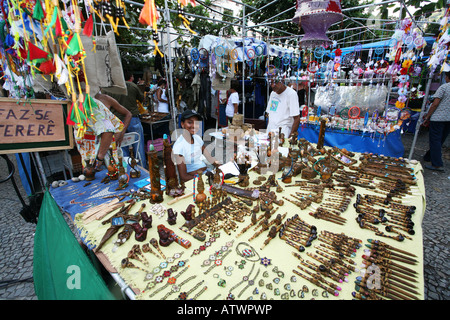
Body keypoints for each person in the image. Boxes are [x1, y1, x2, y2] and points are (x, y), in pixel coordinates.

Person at [75, 92, 131, 171]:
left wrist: (121, 132)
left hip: (101, 158)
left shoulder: (95, 102)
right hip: (92, 157)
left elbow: (109, 129)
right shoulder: (79, 103)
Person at [102, 71, 147, 168]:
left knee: (122, 148)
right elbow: (142, 98)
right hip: (132, 119)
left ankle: (127, 170)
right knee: (139, 147)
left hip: (117, 121)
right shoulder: (132, 86)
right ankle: (143, 169)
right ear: (130, 76)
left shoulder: (107, 89)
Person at [172, 109, 219, 182]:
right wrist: (202, 179)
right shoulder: (179, 146)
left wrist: (219, 166)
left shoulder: (197, 138)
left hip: (206, 173)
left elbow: (209, 158)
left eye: (196, 123)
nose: (194, 126)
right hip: (194, 180)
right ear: (182, 124)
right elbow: (183, 177)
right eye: (190, 122)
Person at [422, 72, 450, 171]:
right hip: (448, 119)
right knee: (440, 139)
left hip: (438, 118)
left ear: (447, 77)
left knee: (435, 140)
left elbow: (435, 104)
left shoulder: (444, 87)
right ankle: (428, 156)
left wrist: (427, 116)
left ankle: (437, 164)